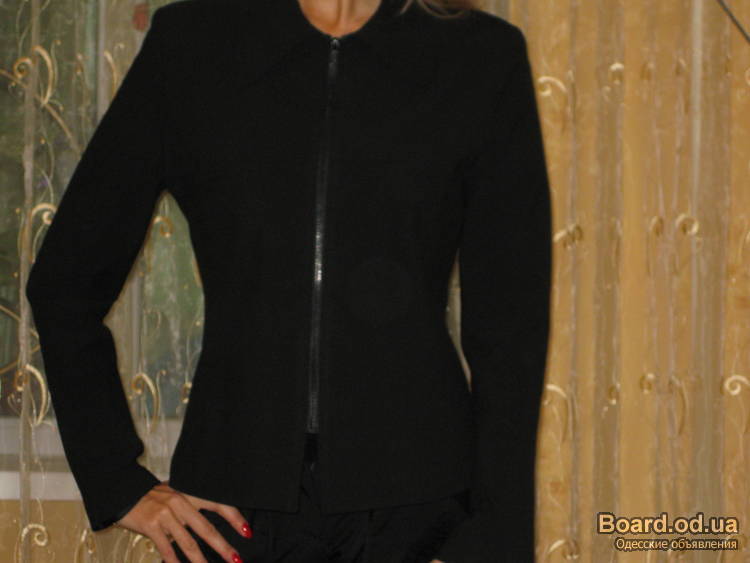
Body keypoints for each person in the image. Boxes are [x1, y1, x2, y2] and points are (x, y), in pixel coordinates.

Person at [24, 0, 552, 561]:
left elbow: (510, 329)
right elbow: (65, 282)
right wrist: (113, 478)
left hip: (421, 511)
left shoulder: (478, 56)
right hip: (231, 507)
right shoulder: (194, 44)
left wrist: (495, 541)